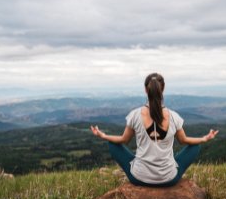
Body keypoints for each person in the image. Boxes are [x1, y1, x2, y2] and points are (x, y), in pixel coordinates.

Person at [90, 72, 218, 187]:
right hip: (169, 179)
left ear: (146, 90)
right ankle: (167, 168)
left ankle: (141, 168)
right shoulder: (174, 117)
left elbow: (123, 139)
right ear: (163, 89)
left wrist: (103, 135)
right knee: (196, 146)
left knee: (113, 144)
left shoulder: (135, 115)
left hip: (138, 178)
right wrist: (204, 138)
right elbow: (184, 140)